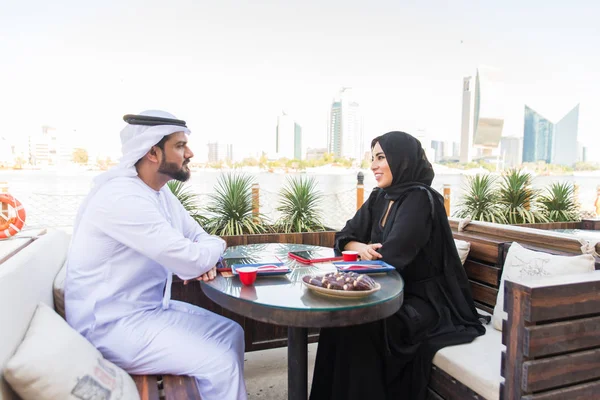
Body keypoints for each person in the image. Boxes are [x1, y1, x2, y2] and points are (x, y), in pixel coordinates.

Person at [65, 110, 247, 400]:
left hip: (147, 311)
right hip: (110, 327)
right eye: (179, 145)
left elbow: (199, 238)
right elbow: (193, 257)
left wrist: (206, 253)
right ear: (152, 152)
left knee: (232, 333)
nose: (190, 153)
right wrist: (213, 251)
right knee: (220, 363)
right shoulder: (123, 198)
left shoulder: (159, 193)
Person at [309, 131, 486, 400]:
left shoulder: (420, 199)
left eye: (381, 157)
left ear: (401, 159)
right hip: (386, 289)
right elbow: (343, 237)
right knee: (339, 320)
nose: (373, 165)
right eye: (372, 158)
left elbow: (391, 258)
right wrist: (362, 248)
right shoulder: (380, 197)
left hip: (423, 300)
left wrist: (363, 252)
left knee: (360, 326)